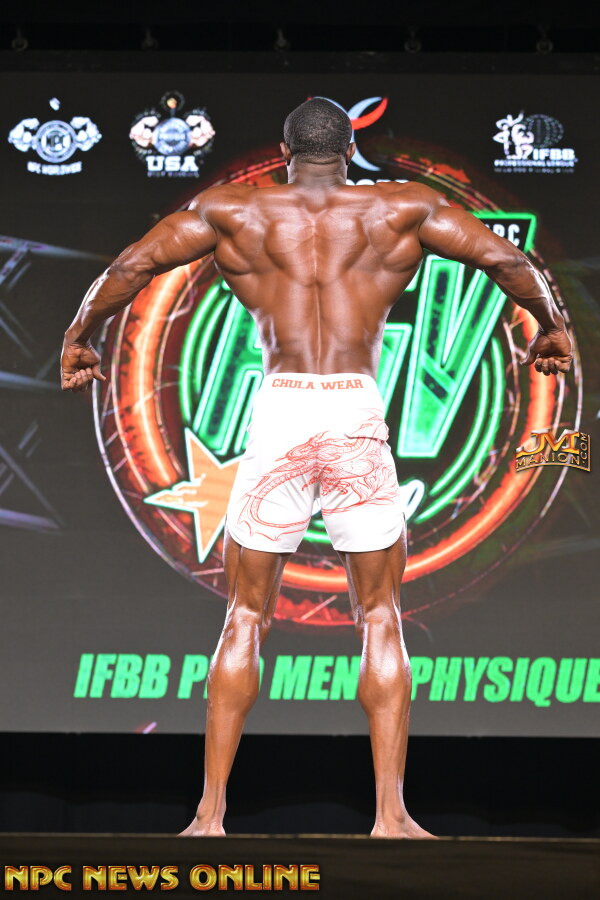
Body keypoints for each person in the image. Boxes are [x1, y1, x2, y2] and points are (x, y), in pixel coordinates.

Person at [61, 98, 573, 839]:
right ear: (349, 147)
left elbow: (134, 264)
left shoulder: (235, 211)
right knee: (380, 614)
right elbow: (507, 259)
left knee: (245, 614)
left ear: (284, 151)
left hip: (282, 409)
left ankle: (209, 815)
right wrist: (551, 327)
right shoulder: (402, 208)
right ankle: (391, 815)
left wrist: (81, 334)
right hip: (355, 410)